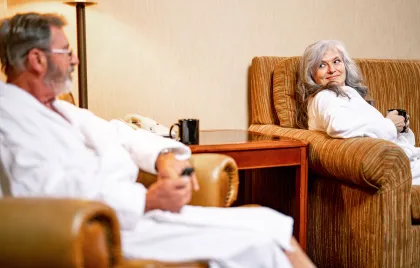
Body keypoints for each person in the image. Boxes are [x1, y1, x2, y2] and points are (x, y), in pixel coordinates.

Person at [0, 12, 315, 268]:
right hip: (104, 230)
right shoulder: (9, 116)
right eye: (66, 52)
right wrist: (148, 200)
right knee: (259, 242)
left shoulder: (61, 108)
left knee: (269, 222)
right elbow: (44, 192)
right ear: (37, 60)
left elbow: (119, 132)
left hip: (138, 216)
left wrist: (165, 158)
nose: (75, 60)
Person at [295, 39, 420, 185]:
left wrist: (400, 128)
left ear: (345, 65)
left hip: (401, 161)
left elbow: (369, 131)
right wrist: (390, 124)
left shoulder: (345, 94)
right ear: (311, 74)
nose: (332, 69)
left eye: (336, 61)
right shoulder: (324, 96)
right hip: (393, 167)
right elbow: (339, 126)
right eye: (322, 65)